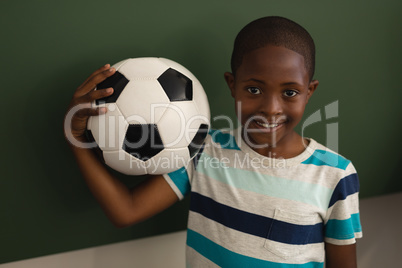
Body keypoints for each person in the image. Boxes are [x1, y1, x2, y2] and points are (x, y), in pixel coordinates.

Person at [64, 16, 362, 268]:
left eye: (290, 93)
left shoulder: (335, 175)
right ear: (232, 85)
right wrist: (77, 137)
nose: (271, 108)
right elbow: (125, 211)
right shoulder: (202, 150)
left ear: (310, 91)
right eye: (254, 90)